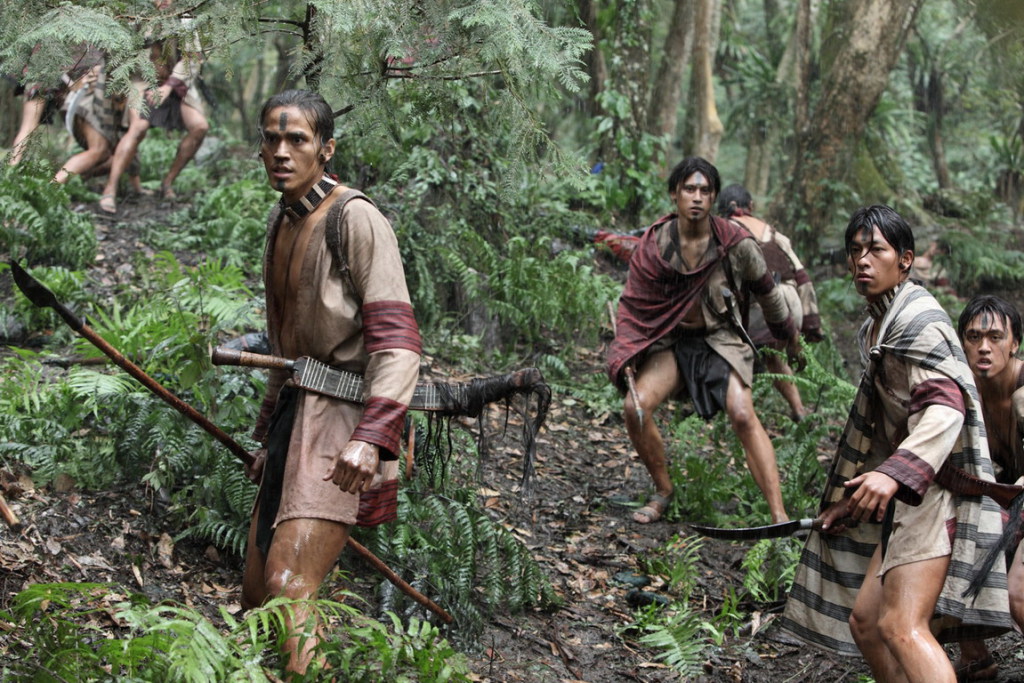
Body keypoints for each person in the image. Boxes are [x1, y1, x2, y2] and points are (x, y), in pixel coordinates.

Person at [780, 205, 1011, 681]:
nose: (863, 260)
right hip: (913, 495)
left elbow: (945, 409)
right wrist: (854, 499)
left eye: (876, 250)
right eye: (855, 251)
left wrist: (892, 475)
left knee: (903, 626)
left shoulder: (919, 320)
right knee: (868, 624)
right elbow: (893, 426)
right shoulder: (878, 326)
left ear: (905, 260)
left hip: (938, 496)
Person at [240, 89, 421, 676]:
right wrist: (267, 439)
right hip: (295, 416)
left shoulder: (356, 218)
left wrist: (371, 438)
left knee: (290, 587)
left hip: (346, 417)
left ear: (326, 149)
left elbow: (398, 344)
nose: (281, 152)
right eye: (272, 139)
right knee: (257, 595)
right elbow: (285, 348)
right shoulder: (282, 220)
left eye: (297, 139)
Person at [606, 156, 802, 525]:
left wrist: (790, 337)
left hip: (721, 338)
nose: (697, 197)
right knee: (636, 407)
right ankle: (663, 490)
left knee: (742, 413)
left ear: (713, 198)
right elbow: (633, 302)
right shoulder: (654, 244)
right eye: (689, 189)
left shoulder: (735, 242)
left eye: (705, 190)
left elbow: (767, 293)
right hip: (672, 340)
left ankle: (779, 514)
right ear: (674, 194)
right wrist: (626, 348)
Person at [955, 295, 1024, 681]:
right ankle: (975, 657)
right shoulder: (965, 394)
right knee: (951, 537)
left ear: (1014, 344)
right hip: (1010, 499)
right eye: (974, 337)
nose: (984, 347)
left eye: (995, 337)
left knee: (1018, 594)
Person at [717, 184, 823, 422]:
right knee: (774, 357)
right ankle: (798, 410)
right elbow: (802, 276)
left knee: (735, 349)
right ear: (751, 206)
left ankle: (738, 413)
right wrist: (810, 322)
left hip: (765, 303)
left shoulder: (726, 230)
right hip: (793, 300)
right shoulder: (774, 233)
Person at [98, 1, 209, 213]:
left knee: (200, 126)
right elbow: (119, 52)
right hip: (141, 80)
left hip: (176, 83)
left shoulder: (186, 20)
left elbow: (192, 58)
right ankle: (110, 189)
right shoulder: (137, 15)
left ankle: (167, 183)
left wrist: (169, 86)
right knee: (138, 128)